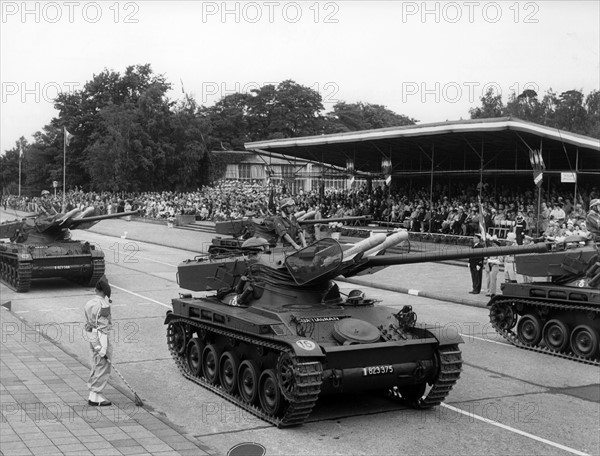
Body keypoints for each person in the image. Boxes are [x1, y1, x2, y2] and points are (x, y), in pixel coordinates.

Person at [84, 275, 113, 407]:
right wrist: (103, 348)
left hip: (92, 336)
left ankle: (92, 393)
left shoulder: (89, 303)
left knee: (95, 365)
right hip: (101, 338)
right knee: (103, 366)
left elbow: (88, 324)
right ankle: (96, 395)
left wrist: (93, 342)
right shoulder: (104, 306)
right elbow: (103, 328)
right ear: (106, 293)